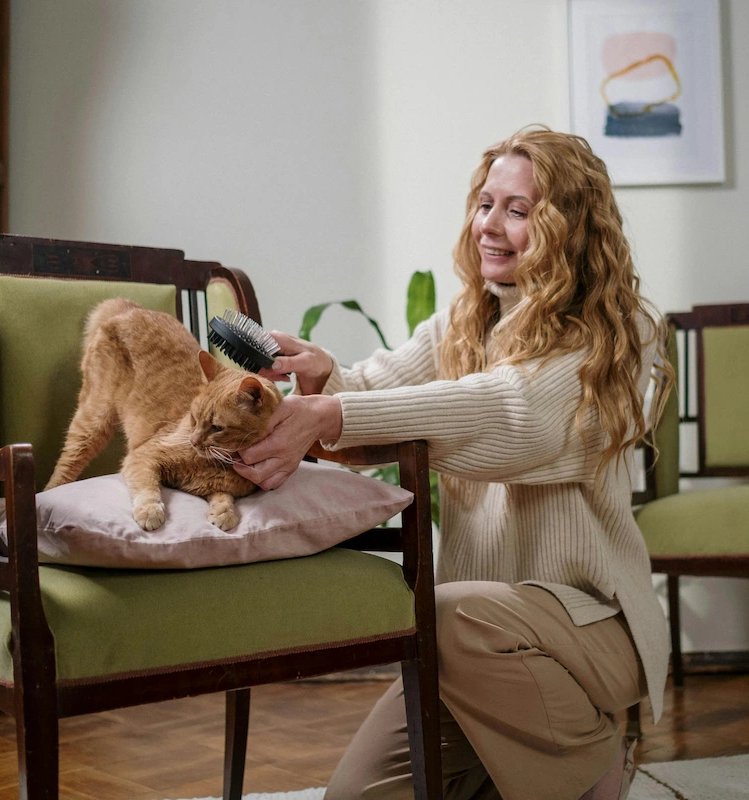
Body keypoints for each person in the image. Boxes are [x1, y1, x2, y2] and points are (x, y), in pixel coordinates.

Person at [234, 126, 673, 800]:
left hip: (587, 626)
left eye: (518, 211)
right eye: (485, 203)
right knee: (354, 798)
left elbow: (511, 414)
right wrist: (330, 381)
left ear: (569, 228)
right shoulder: (460, 325)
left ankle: (593, 762)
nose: (490, 226)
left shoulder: (620, 334)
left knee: (456, 615)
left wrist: (338, 417)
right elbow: (381, 393)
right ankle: (530, 762)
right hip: (472, 646)